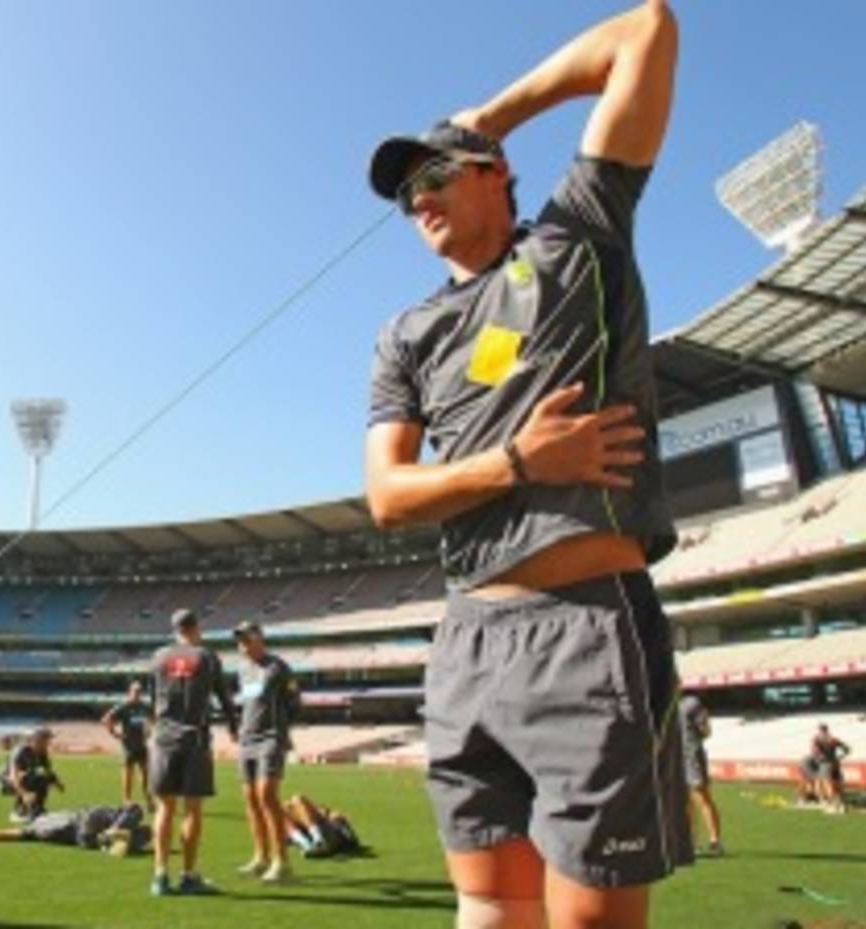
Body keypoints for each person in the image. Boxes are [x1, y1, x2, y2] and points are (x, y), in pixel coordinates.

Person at [363, 3, 690, 927]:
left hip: (590, 627)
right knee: (492, 910)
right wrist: (518, 461)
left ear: (495, 173)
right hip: (467, 641)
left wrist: (492, 116)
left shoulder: (575, 237)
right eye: (403, 193)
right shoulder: (406, 332)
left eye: (434, 173)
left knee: (588, 920)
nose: (417, 197)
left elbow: (648, 30)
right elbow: (388, 495)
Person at [148, 608, 238, 897]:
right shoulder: (207, 657)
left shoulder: (158, 657)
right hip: (194, 739)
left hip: (163, 738)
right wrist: (234, 726)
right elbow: (224, 697)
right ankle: (188, 875)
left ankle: (160, 876)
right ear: (196, 627)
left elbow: (153, 699)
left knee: (164, 808)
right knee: (192, 810)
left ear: (174, 628)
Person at [233, 620, 301, 883]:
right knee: (250, 799)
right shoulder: (242, 669)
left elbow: (295, 702)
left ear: (259, 638)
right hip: (247, 740)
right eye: (239, 640)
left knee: (267, 795)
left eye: (246, 638)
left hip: (271, 738)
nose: (242, 644)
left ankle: (282, 861)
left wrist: (282, 730)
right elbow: (247, 703)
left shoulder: (278, 668)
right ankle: (261, 857)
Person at [0, 803, 150, 856]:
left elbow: (6, 833)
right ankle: (111, 835)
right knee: (136, 812)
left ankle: (108, 839)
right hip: (95, 820)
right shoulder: (46, 820)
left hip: (85, 835)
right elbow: (7, 833)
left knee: (144, 831)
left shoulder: (38, 828)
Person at [679, 693, 722, 856]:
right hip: (674, 757)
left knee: (702, 797)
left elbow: (706, 731)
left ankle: (715, 842)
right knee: (684, 802)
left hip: (691, 756)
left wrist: (703, 725)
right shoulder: (663, 704)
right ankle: (690, 842)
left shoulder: (691, 703)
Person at [102, 680, 154, 811]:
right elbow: (106, 719)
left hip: (141, 744)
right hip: (128, 746)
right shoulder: (124, 707)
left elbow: (153, 717)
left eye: (140, 691)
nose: (138, 694)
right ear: (130, 692)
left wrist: (149, 730)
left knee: (146, 774)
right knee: (128, 775)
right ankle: (127, 801)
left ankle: (148, 800)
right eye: (135, 691)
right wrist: (115, 734)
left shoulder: (144, 706)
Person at [0, 727, 64, 821]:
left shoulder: (42, 753)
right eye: (46, 739)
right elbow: (13, 776)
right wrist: (24, 794)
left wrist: (56, 782)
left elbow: (47, 771)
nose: (48, 742)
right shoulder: (20, 751)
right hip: (7, 780)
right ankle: (19, 811)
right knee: (28, 776)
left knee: (42, 777)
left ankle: (37, 810)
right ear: (36, 739)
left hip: (25, 777)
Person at [283, 794, 361, 859]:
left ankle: (315, 843)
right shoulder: (301, 819)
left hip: (331, 834)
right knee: (286, 807)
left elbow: (349, 835)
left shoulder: (329, 816)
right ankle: (309, 845)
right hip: (318, 835)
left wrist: (327, 814)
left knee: (297, 800)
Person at [810, 723, 851, 814]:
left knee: (827, 785)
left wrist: (819, 758)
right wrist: (840, 757)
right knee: (837, 784)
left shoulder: (817, 739)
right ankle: (841, 806)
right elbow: (847, 749)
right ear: (827, 729)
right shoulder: (833, 739)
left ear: (820, 730)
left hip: (825, 764)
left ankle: (833, 806)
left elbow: (815, 752)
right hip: (835, 763)